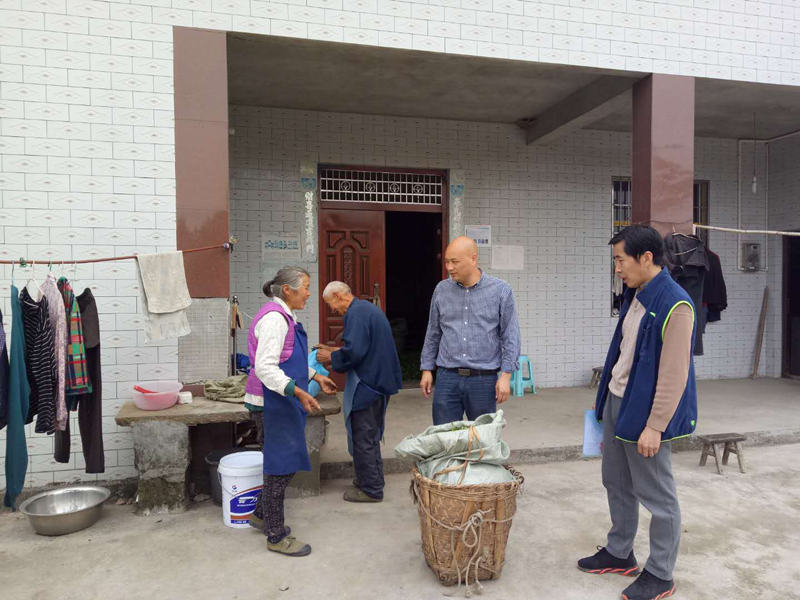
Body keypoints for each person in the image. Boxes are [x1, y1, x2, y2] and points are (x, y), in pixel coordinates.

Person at [578, 226, 697, 600]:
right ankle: (620, 552)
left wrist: (655, 426)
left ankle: (661, 574)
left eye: (620, 260)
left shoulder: (676, 304)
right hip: (617, 400)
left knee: (658, 496)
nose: (617, 269)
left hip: (645, 413)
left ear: (646, 258)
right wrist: (604, 400)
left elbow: (675, 375)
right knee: (615, 481)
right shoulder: (636, 294)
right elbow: (623, 351)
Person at [246, 266, 337, 557]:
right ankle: (275, 535)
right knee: (279, 468)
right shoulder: (274, 320)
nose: (309, 293)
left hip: (280, 399)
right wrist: (297, 391)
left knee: (282, 465)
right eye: (306, 287)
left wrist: (315, 376)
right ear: (288, 290)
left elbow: (289, 361)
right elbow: (265, 367)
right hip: (270, 403)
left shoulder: (285, 316)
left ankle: (261, 514)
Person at [315, 281, 402, 503]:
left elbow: (355, 352)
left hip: (368, 384)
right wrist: (334, 350)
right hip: (379, 382)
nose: (332, 309)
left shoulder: (356, 314)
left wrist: (330, 357)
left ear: (337, 295)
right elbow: (364, 347)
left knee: (363, 435)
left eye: (330, 304)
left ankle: (371, 489)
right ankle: (371, 478)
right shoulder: (365, 309)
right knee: (370, 434)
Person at [419, 236, 521, 425]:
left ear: (473, 259)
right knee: (445, 435)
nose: (449, 267)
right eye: (446, 262)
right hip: (447, 377)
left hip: (483, 379)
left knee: (482, 437)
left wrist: (506, 376)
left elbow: (510, 335)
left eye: (455, 262)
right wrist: (426, 369)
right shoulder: (441, 290)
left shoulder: (501, 290)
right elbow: (433, 332)